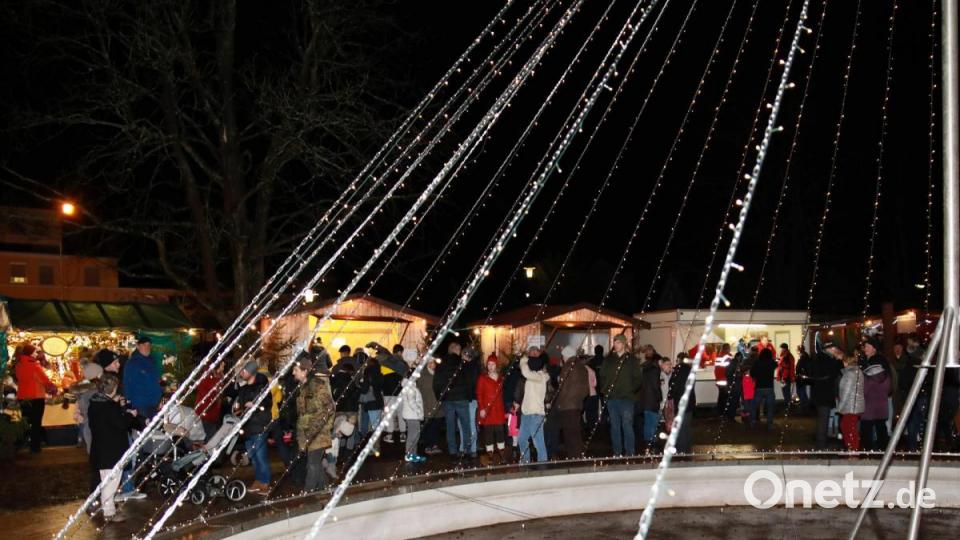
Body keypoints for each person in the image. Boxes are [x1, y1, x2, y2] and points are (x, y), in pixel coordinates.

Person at [87, 373, 138, 523]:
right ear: (114, 389)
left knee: (106, 480)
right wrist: (130, 415)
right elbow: (121, 424)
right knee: (111, 482)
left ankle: (105, 508)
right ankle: (109, 512)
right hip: (112, 451)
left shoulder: (95, 403)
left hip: (100, 449)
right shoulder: (109, 406)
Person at [292, 355, 335, 492]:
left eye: (295, 370)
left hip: (318, 432)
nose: (293, 373)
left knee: (312, 464)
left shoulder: (317, 385)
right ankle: (325, 489)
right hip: (309, 432)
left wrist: (314, 427)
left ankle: (307, 494)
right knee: (314, 463)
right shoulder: (303, 387)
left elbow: (329, 407)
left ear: (304, 371)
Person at [598, 334, 642, 456]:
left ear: (623, 344)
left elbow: (638, 378)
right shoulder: (608, 360)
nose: (615, 345)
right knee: (614, 426)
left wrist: (630, 390)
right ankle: (617, 451)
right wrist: (605, 390)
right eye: (614, 342)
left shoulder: (631, 360)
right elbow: (602, 376)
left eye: (618, 342)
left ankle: (630, 451)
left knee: (627, 425)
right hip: (612, 399)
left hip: (627, 398)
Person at [433, 342, 477, 459]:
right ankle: (466, 452)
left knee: (450, 426)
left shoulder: (441, 364)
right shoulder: (462, 362)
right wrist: (467, 394)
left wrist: (440, 397)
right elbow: (470, 380)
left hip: (447, 399)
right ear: (457, 350)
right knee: (465, 425)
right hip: (461, 398)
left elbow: (436, 382)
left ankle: (452, 451)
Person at [234, 360, 273, 493]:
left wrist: (255, 404)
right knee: (253, 457)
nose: (242, 373)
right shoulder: (243, 388)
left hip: (259, 425)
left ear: (251, 372)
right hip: (248, 427)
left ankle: (265, 482)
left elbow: (268, 403)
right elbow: (240, 404)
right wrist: (237, 408)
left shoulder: (262, 386)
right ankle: (258, 480)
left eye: (244, 371)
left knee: (261, 457)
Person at [15, 344, 54, 453]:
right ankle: (35, 446)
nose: (36, 353)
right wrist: (53, 388)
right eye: (34, 352)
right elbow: (44, 379)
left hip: (22, 396)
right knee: (36, 422)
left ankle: (21, 444)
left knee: (26, 421)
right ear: (30, 353)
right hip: (36, 396)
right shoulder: (34, 365)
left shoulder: (18, 364)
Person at [555, 345, 589, 458]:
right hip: (578, 404)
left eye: (563, 356)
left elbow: (563, 388)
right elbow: (586, 389)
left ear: (566, 356)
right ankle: (579, 454)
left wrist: (559, 403)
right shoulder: (582, 367)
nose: (562, 359)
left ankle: (573, 456)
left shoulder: (568, 367)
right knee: (576, 431)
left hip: (567, 405)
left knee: (569, 433)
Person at [810, 341, 844, 450]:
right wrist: (839, 361)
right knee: (823, 420)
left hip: (820, 394)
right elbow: (832, 373)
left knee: (822, 419)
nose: (836, 351)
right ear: (829, 349)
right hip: (823, 394)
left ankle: (820, 443)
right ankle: (821, 445)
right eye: (834, 349)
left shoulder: (821, 358)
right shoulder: (826, 360)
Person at [517, 351, 549, 463]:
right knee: (522, 439)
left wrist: (523, 359)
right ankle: (525, 461)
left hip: (535, 415)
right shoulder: (534, 376)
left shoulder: (539, 377)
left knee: (538, 442)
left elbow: (525, 371)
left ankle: (543, 464)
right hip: (526, 414)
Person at [476, 355, 507, 465]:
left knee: (500, 432)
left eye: (492, 364)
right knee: (488, 433)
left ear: (496, 365)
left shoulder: (501, 378)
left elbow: (504, 395)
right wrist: (482, 408)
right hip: (487, 410)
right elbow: (479, 394)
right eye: (488, 364)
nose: (490, 366)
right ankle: (489, 456)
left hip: (498, 410)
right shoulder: (482, 378)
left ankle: (502, 455)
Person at [123, 336, 161, 418]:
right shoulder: (133, 363)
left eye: (149, 345)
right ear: (137, 346)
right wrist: (128, 401)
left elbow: (155, 380)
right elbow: (127, 383)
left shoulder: (152, 361)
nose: (147, 347)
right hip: (141, 404)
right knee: (145, 428)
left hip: (153, 402)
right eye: (144, 345)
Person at [356, 351, 384, 453]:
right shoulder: (380, 374)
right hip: (377, 401)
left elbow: (364, 389)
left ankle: (370, 448)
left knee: (365, 425)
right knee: (376, 425)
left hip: (368, 402)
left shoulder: (367, 373)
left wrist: (360, 384)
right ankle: (376, 447)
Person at [667, 354, 695, 454]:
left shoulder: (677, 371)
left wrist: (670, 398)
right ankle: (687, 448)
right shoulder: (691, 370)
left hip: (680, 402)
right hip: (690, 402)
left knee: (680, 428)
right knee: (687, 427)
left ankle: (681, 450)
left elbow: (672, 386)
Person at [837, 355, 865, 451]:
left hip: (851, 406)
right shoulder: (858, 372)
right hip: (856, 405)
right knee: (851, 427)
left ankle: (852, 449)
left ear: (847, 362)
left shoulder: (849, 373)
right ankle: (852, 448)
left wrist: (840, 407)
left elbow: (846, 392)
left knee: (847, 427)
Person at [417, 357, 444, 455]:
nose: (432, 365)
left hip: (438, 405)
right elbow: (419, 390)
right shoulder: (422, 375)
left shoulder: (438, 374)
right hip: (427, 404)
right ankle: (428, 446)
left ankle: (435, 444)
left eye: (433, 363)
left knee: (436, 426)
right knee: (428, 426)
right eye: (430, 363)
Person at [861, 363, 891, 451]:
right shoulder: (887, 378)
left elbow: (864, 392)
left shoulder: (869, 380)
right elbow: (889, 391)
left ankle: (868, 448)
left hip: (869, 409)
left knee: (866, 430)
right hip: (882, 408)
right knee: (881, 428)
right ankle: (883, 447)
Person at [194, 358, 225, 441]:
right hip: (205, 414)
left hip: (213, 416)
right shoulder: (208, 378)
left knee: (210, 439)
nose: (223, 368)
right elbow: (209, 395)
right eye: (222, 365)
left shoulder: (216, 378)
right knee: (206, 439)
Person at [400, 366, 426, 463]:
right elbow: (412, 402)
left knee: (414, 435)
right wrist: (419, 412)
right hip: (412, 415)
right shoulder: (410, 387)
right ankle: (409, 454)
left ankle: (413, 454)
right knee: (413, 435)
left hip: (411, 414)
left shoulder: (410, 385)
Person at [751, 348, 777, 428]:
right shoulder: (772, 362)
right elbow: (776, 364)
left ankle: (753, 422)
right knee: (770, 407)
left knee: (754, 406)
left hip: (759, 387)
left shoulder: (757, 362)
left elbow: (752, 373)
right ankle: (769, 424)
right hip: (769, 387)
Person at [714, 344, 732, 416]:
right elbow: (729, 369)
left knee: (721, 397)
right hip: (725, 380)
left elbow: (717, 369)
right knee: (725, 398)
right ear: (727, 349)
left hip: (719, 379)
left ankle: (719, 412)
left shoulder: (718, 356)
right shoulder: (727, 357)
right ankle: (724, 413)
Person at [777, 343, 795, 408]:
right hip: (783, 377)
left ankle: (788, 405)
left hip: (786, 377)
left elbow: (792, 367)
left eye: (781, 348)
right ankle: (787, 405)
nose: (780, 349)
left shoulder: (788, 356)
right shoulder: (784, 356)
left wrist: (792, 377)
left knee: (786, 392)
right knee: (785, 392)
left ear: (784, 348)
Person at [795, 345, 812, 413]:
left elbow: (800, 367)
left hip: (801, 377)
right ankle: (806, 405)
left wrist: (798, 372)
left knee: (801, 392)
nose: (796, 351)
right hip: (802, 377)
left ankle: (803, 406)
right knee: (802, 392)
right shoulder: (805, 356)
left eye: (797, 349)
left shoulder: (803, 357)